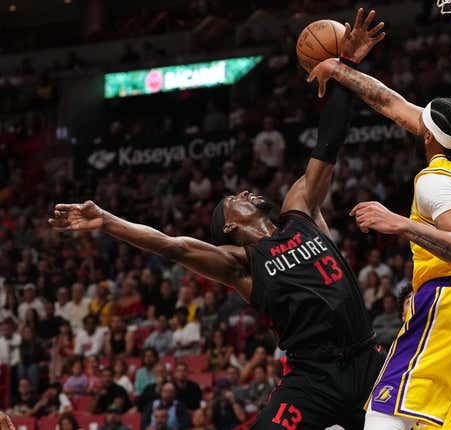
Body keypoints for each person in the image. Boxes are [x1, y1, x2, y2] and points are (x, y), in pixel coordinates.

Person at [49, 9, 385, 430]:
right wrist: (106, 219)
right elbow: (169, 245)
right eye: (234, 198)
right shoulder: (240, 264)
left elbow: (327, 144)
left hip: (368, 360)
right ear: (229, 226)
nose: (245, 192)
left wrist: (347, 67)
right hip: (312, 379)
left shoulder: (300, 212)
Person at [309, 48, 451, 429]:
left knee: (383, 412)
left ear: (427, 134)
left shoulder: (436, 182)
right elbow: (391, 103)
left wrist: (401, 224)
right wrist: (340, 70)